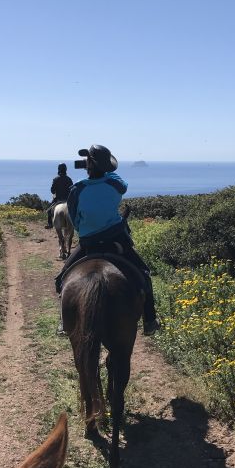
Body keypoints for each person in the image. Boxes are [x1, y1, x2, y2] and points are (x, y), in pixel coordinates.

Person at [55, 144, 160, 336]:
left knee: (61, 279)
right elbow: (119, 180)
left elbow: (75, 220)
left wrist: (86, 229)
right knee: (144, 274)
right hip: (116, 238)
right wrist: (102, 169)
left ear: (89, 165)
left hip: (88, 243)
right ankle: (150, 320)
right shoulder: (115, 184)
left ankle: (63, 321)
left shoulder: (77, 189)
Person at [45, 163, 73, 229]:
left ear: (59, 169)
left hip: (58, 200)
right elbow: (72, 190)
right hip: (67, 200)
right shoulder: (69, 179)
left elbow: (52, 191)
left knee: (49, 211)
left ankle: (50, 224)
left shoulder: (56, 179)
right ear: (65, 169)